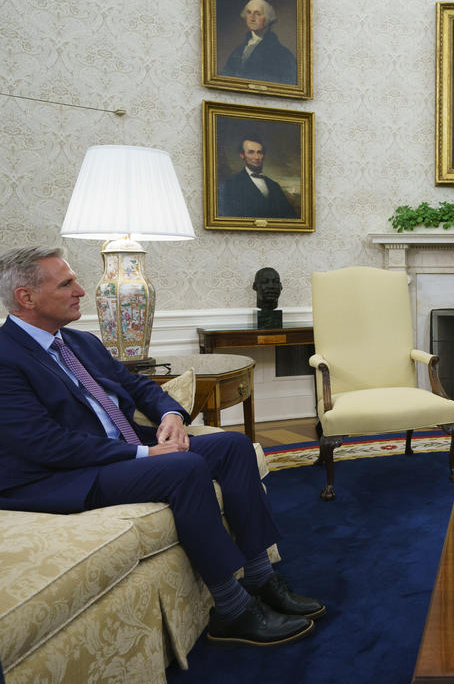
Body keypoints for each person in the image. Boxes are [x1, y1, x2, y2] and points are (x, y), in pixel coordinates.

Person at [0, 246, 325, 648]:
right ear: (26, 297)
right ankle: (232, 610)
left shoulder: (80, 342)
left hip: (116, 449)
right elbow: (43, 444)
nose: (81, 290)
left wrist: (171, 415)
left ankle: (261, 576)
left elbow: (137, 386)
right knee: (183, 467)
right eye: (66, 283)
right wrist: (144, 453)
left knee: (233, 446)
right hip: (61, 473)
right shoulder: (5, 357)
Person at [220, 0, 297, 85]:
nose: (252, 18)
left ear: (268, 18)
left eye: (258, 14)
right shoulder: (238, 51)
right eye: (249, 12)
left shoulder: (282, 54)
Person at [218, 137, 298, 219]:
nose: (256, 157)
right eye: (251, 152)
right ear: (242, 155)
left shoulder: (274, 186)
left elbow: (290, 216)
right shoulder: (230, 184)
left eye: (259, 152)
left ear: (263, 155)